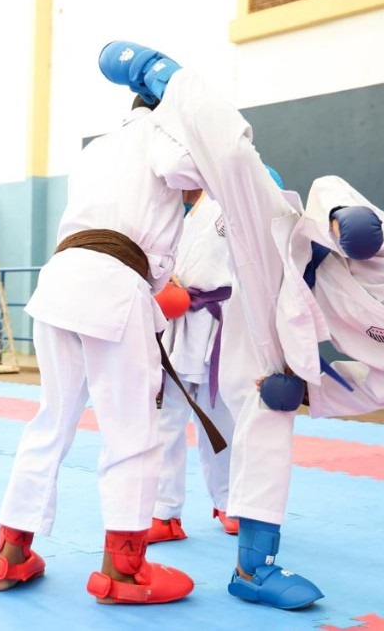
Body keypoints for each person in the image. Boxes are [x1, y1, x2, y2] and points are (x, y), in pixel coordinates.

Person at [98, 40, 384, 610]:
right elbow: (329, 186)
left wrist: (308, 390)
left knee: (270, 416)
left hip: (275, 328)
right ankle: (161, 76)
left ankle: (255, 569)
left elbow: (375, 388)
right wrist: (341, 218)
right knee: (236, 162)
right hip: (279, 249)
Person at [0, 93, 205, 606]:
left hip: (61, 278)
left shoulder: (99, 147)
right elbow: (185, 165)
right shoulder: (162, 135)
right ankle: (124, 572)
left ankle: (9, 554)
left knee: (50, 421)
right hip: (113, 282)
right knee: (131, 431)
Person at [149, 191, 238, 543]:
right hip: (176, 325)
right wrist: (162, 280)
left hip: (221, 324)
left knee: (221, 420)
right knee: (165, 423)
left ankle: (230, 501)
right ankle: (163, 513)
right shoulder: (169, 214)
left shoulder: (227, 197)